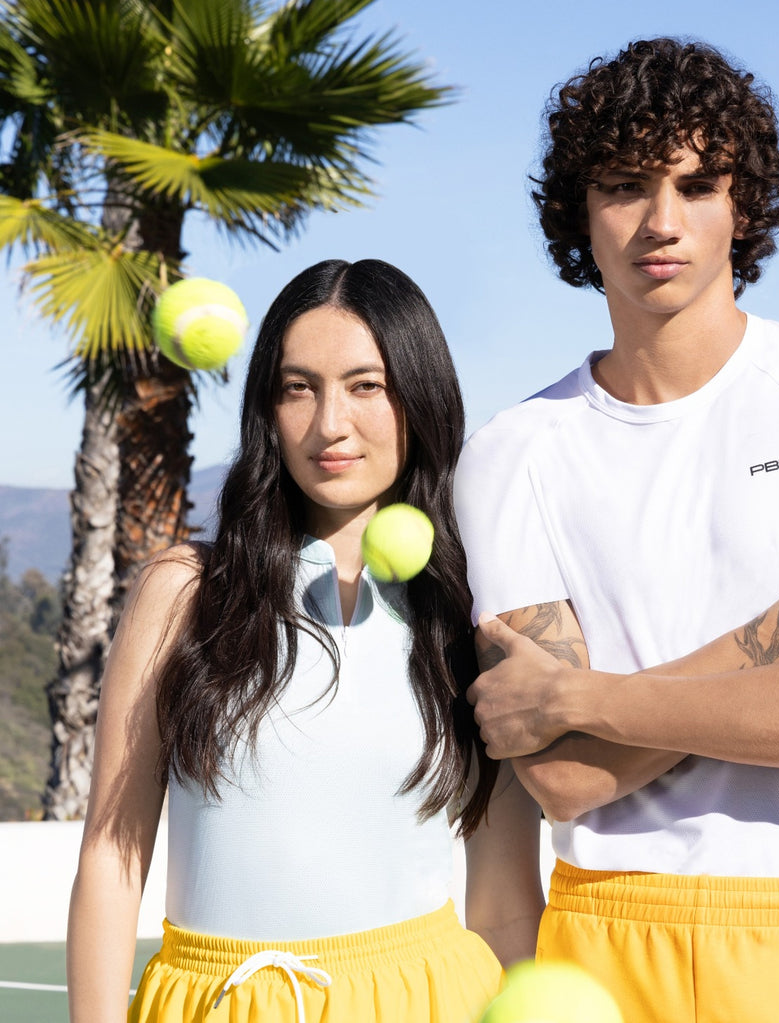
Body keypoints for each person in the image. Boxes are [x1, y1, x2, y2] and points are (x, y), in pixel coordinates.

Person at [454, 38, 779, 1023]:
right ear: (578, 209)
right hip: (596, 945)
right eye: (623, 184)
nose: (662, 221)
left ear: (743, 207)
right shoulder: (512, 451)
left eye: (698, 185)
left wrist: (582, 693)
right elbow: (563, 778)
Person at [67, 258, 544, 1023]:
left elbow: (504, 902)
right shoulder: (183, 592)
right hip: (214, 1002)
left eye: (366, 385)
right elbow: (111, 857)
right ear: (268, 408)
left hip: (429, 1000)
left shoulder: (473, 613)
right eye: (299, 387)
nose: (330, 424)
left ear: (417, 398)